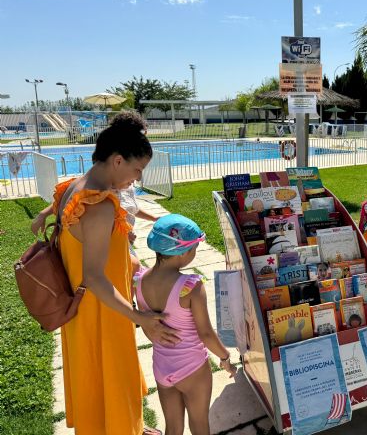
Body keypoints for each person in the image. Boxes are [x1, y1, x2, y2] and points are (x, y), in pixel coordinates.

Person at [33, 111, 178, 434]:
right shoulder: (98, 207)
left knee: (94, 382)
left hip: (82, 310)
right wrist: (140, 317)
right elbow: (96, 277)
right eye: (137, 169)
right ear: (117, 160)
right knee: (113, 378)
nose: (137, 179)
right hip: (102, 312)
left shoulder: (73, 188)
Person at [137, 214, 237, 435]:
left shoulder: (140, 280)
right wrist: (225, 358)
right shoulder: (190, 286)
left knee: (173, 427)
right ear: (182, 252)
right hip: (192, 369)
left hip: (162, 366)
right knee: (199, 424)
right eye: (193, 249)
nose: (194, 253)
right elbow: (206, 334)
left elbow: (148, 328)